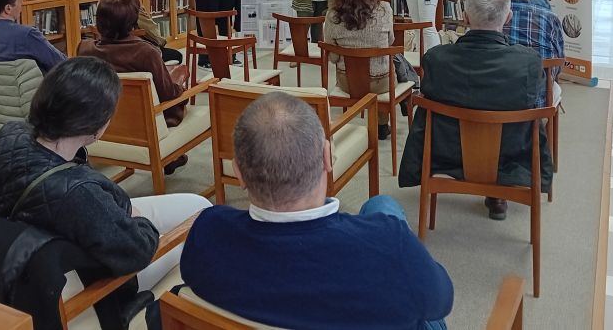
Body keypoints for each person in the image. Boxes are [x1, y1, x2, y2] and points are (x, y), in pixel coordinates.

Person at [181, 92, 453, 330]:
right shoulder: (390, 243)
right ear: (327, 156)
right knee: (384, 210)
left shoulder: (208, 231)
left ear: (237, 171)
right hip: (383, 258)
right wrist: (397, 244)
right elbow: (441, 301)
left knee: (381, 209)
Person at [0, 57, 210, 315]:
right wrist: (137, 220)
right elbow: (136, 251)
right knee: (194, 242)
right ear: (94, 124)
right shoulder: (78, 193)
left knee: (199, 207)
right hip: (95, 273)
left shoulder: (11, 134)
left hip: (65, 228)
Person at [399, 0, 553, 221]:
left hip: (447, 155)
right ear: (509, 17)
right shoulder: (528, 63)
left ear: (465, 18)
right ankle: (497, 193)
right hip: (508, 158)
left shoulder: (436, 60)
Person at [77, 0, 190, 175]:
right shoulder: (146, 52)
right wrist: (180, 83)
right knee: (182, 86)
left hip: (103, 125)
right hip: (146, 127)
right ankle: (168, 154)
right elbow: (168, 94)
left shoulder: (85, 48)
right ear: (132, 21)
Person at [323, 0, 394, 140]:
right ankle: (382, 125)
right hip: (381, 82)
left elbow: (332, 56)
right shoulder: (384, 9)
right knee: (394, 66)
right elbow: (390, 42)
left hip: (348, 81)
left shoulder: (332, 15)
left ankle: (347, 123)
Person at [98, 0, 183, 64]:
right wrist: (161, 42)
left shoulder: (102, 2)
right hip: (133, 52)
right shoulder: (131, 2)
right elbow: (149, 28)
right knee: (177, 56)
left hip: (109, 54)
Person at [503, 0, 565, 108]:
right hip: (539, 101)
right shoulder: (550, 18)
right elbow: (559, 59)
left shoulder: (495, 15)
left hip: (498, 98)